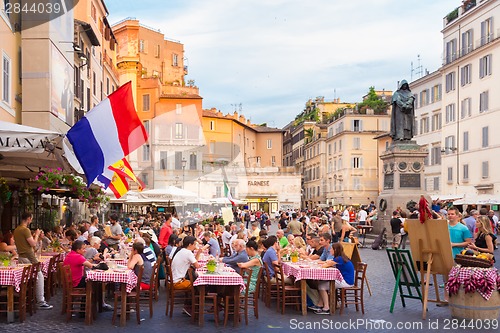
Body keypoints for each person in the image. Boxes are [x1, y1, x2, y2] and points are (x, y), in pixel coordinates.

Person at [13, 212, 53, 309]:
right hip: (29, 256)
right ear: (29, 219)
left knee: (28, 279)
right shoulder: (25, 230)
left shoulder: (16, 230)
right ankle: (40, 301)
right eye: (31, 219)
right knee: (39, 276)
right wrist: (37, 235)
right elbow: (33, 243)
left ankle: (31, 299)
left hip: (22, 256)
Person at [314, 243, 355, 315]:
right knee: (321, 283)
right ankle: (320, 304)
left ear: (335, 250)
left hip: (346, 281)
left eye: (331, 249)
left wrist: (325, 263)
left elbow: (325, 265)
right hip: (345, 279)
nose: (330, 251)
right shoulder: (341, 258)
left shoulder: (339, 259)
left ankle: (326, 308)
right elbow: (328, 262)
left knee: (321, 286)